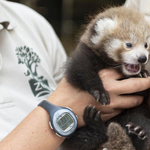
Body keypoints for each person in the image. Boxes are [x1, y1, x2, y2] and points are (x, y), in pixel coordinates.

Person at [0, 0, 150, 150]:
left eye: (145, 45)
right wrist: (65, 110)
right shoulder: (86, 59)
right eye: (129, 45)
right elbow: (75, 76)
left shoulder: (29, 22)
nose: (143, 55)